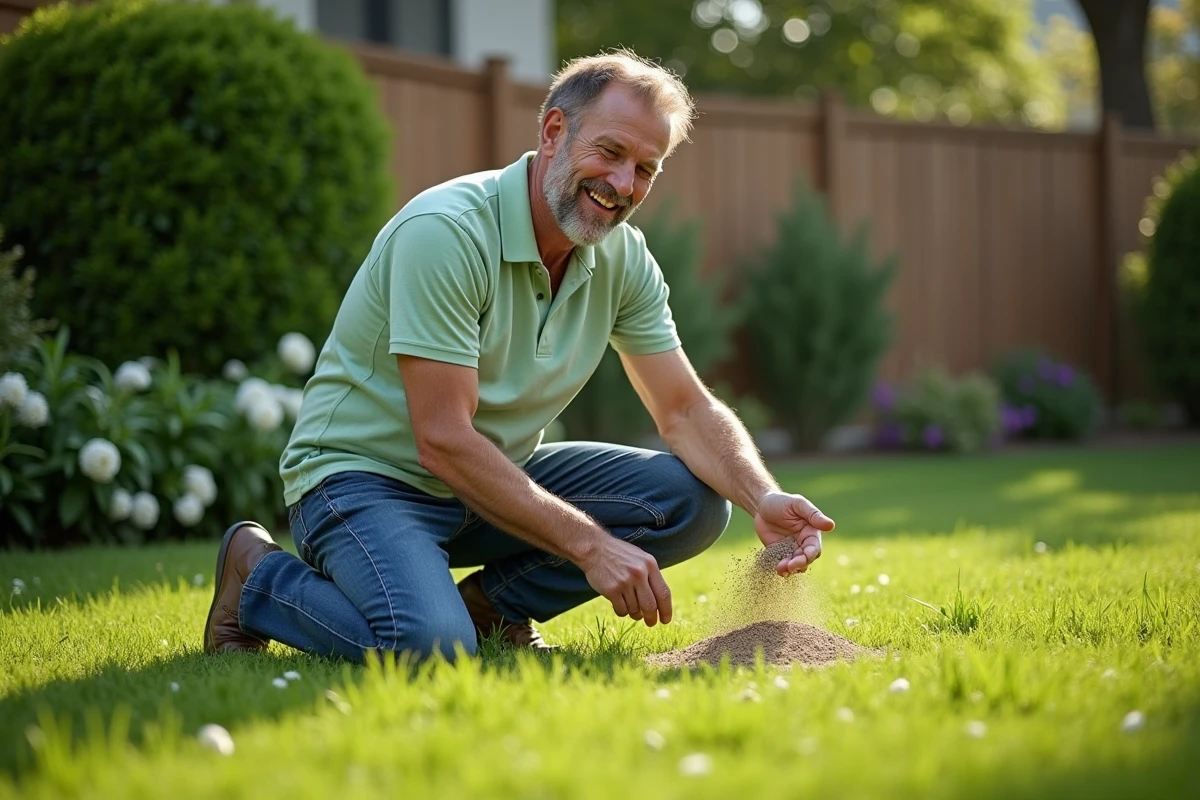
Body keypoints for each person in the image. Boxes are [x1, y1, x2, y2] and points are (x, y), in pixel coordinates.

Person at [202, 49, 835, 662]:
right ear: (555, 131)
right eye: (610, 152)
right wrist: (592, 547)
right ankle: (256, 577)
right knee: (428, 649)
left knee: (692, 503)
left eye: (646, 168)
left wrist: (763, 498)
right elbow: (443, 438)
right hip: (361, 482)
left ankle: (492, 610)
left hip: (484, 483)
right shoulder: (446, 234)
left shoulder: (623, 258)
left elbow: (684, 409)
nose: (623, 184)